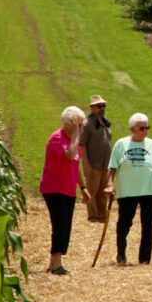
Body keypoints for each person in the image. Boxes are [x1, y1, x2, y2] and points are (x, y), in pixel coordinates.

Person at [103, 113, 152, 266]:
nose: (145, 131)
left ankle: (144, 259)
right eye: (142, 128)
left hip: (150, 190)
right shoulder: (121, 144)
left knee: (148, 226)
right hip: (127, 191)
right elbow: (112, 167)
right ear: (132, 129)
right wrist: (110, 184)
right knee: (124, 224)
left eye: (147, 128)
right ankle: (121, 253)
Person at [39, 106, 91, 275]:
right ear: (69, 124)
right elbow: (69, 154)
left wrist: (83, 187)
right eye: (79, 125)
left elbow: (76, 166)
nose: (81, 128)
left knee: (66, 226)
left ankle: (55, 262)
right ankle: (56, 265)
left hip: (68, 189)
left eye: (82, 125)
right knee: (60, 225)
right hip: (54, 188)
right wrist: (76, 135)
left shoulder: (74, 141)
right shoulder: (57, 138)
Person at [79, 95, 113, 223]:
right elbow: (82, 145)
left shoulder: (105, 122)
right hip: (93, 163)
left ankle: (102, 215)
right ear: (92, 108)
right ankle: (93, 215)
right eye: (99, 106)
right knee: (92, 191)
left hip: (105, 163)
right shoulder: (87, 123)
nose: (102, 108)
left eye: (103, 105)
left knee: (103, 191)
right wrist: (86, 164)